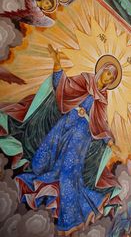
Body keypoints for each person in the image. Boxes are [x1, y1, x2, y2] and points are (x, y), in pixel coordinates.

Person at [0, 44, 121, 234]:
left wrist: (108, 138)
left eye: (112, 78)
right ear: (102, 71)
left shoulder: (103, 98)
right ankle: (40, 184)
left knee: (69, 170)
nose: (108, 78)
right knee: (45, 159)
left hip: (81, 137)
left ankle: (61, 200)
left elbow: (100, 122)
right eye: (108, 74)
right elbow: (65, 87)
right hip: (66, 125)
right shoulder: (85, 79)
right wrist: (57, 64)